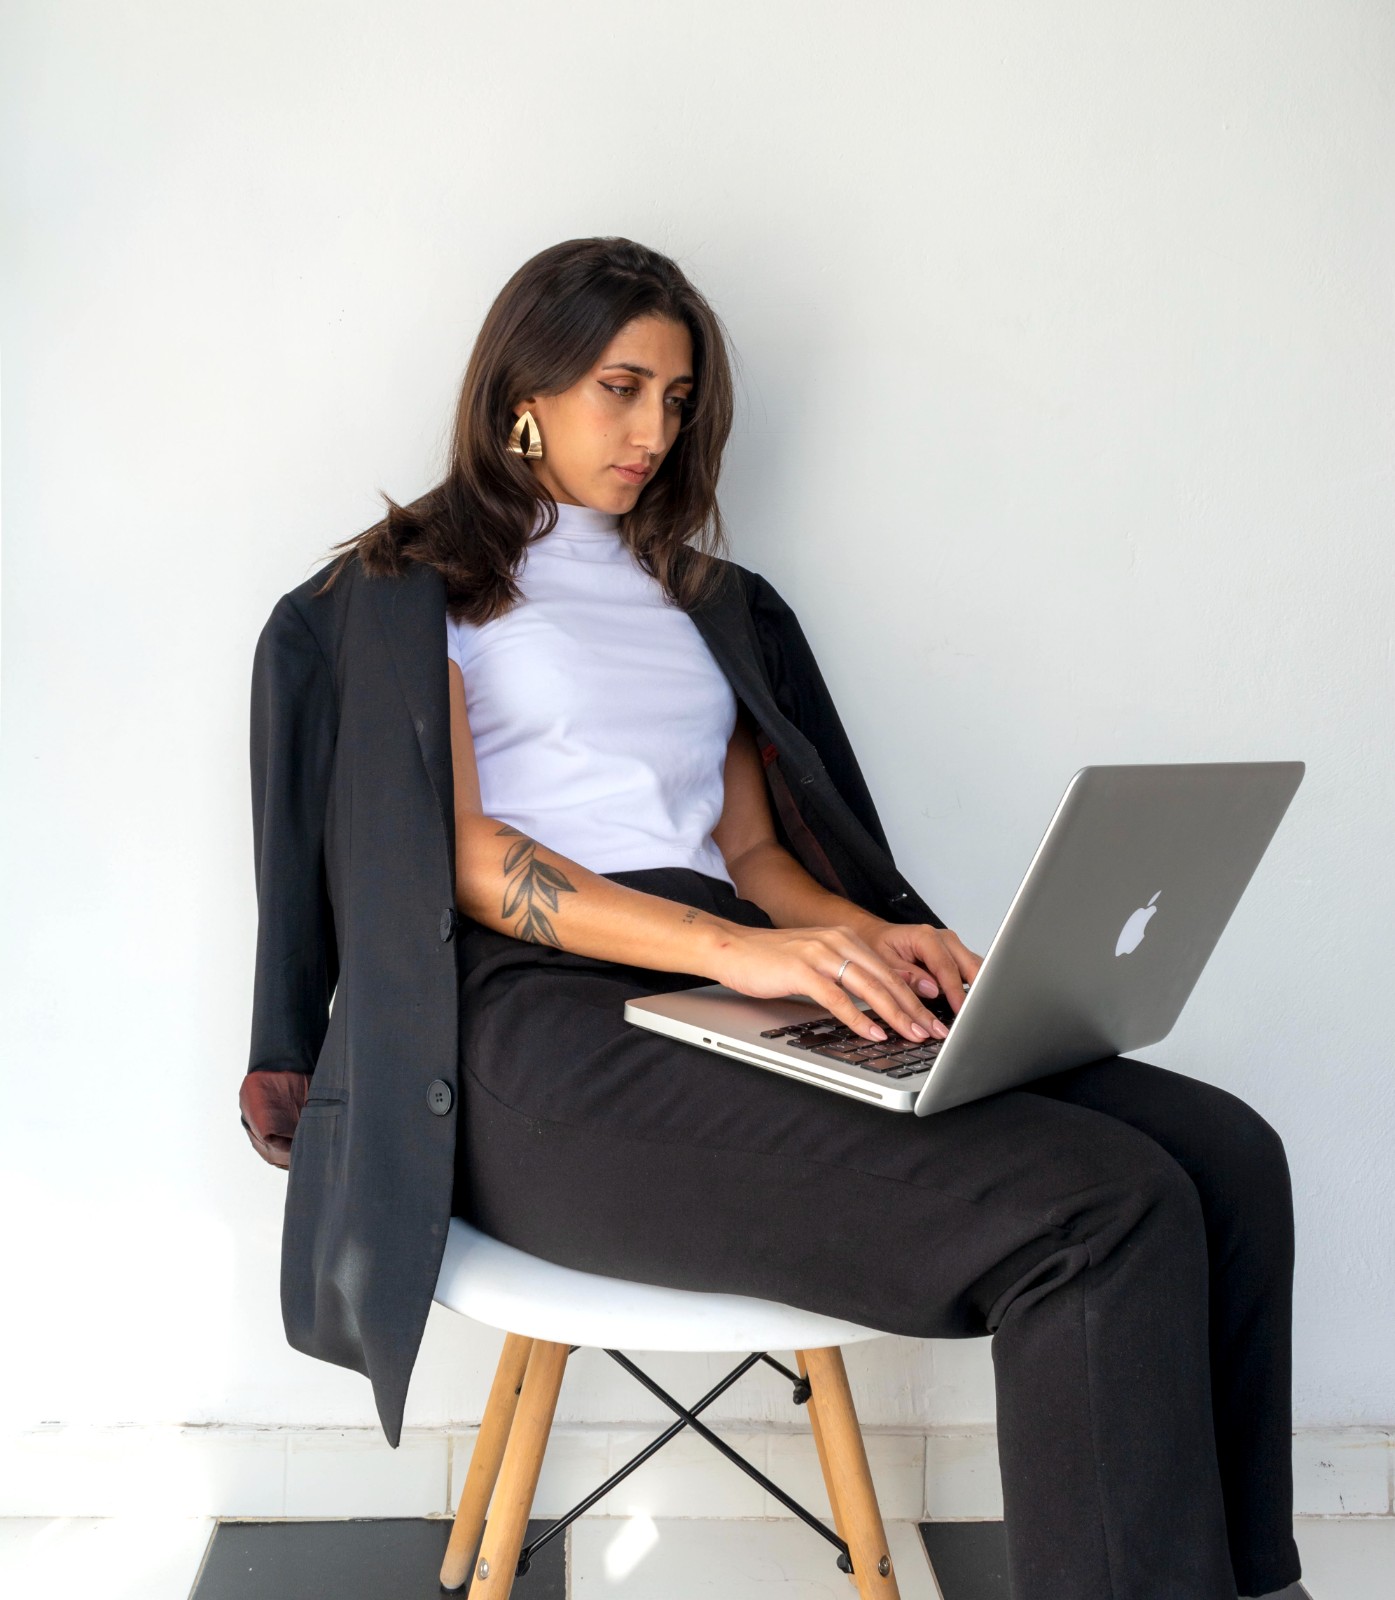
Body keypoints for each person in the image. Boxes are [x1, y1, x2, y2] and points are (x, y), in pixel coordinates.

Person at [245, 237, 1301, 1600]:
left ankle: (1253, 1586)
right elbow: (466, 855)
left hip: (727, 981)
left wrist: (860, 934)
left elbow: (748, 848)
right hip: (525, 1032)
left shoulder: (706, 603)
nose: (654, 430)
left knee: (1227, 1156)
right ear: (523, 389)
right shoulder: (410, 594)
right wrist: (739, 950)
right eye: (621, 387)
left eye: (678, 400)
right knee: (1099, 1208)